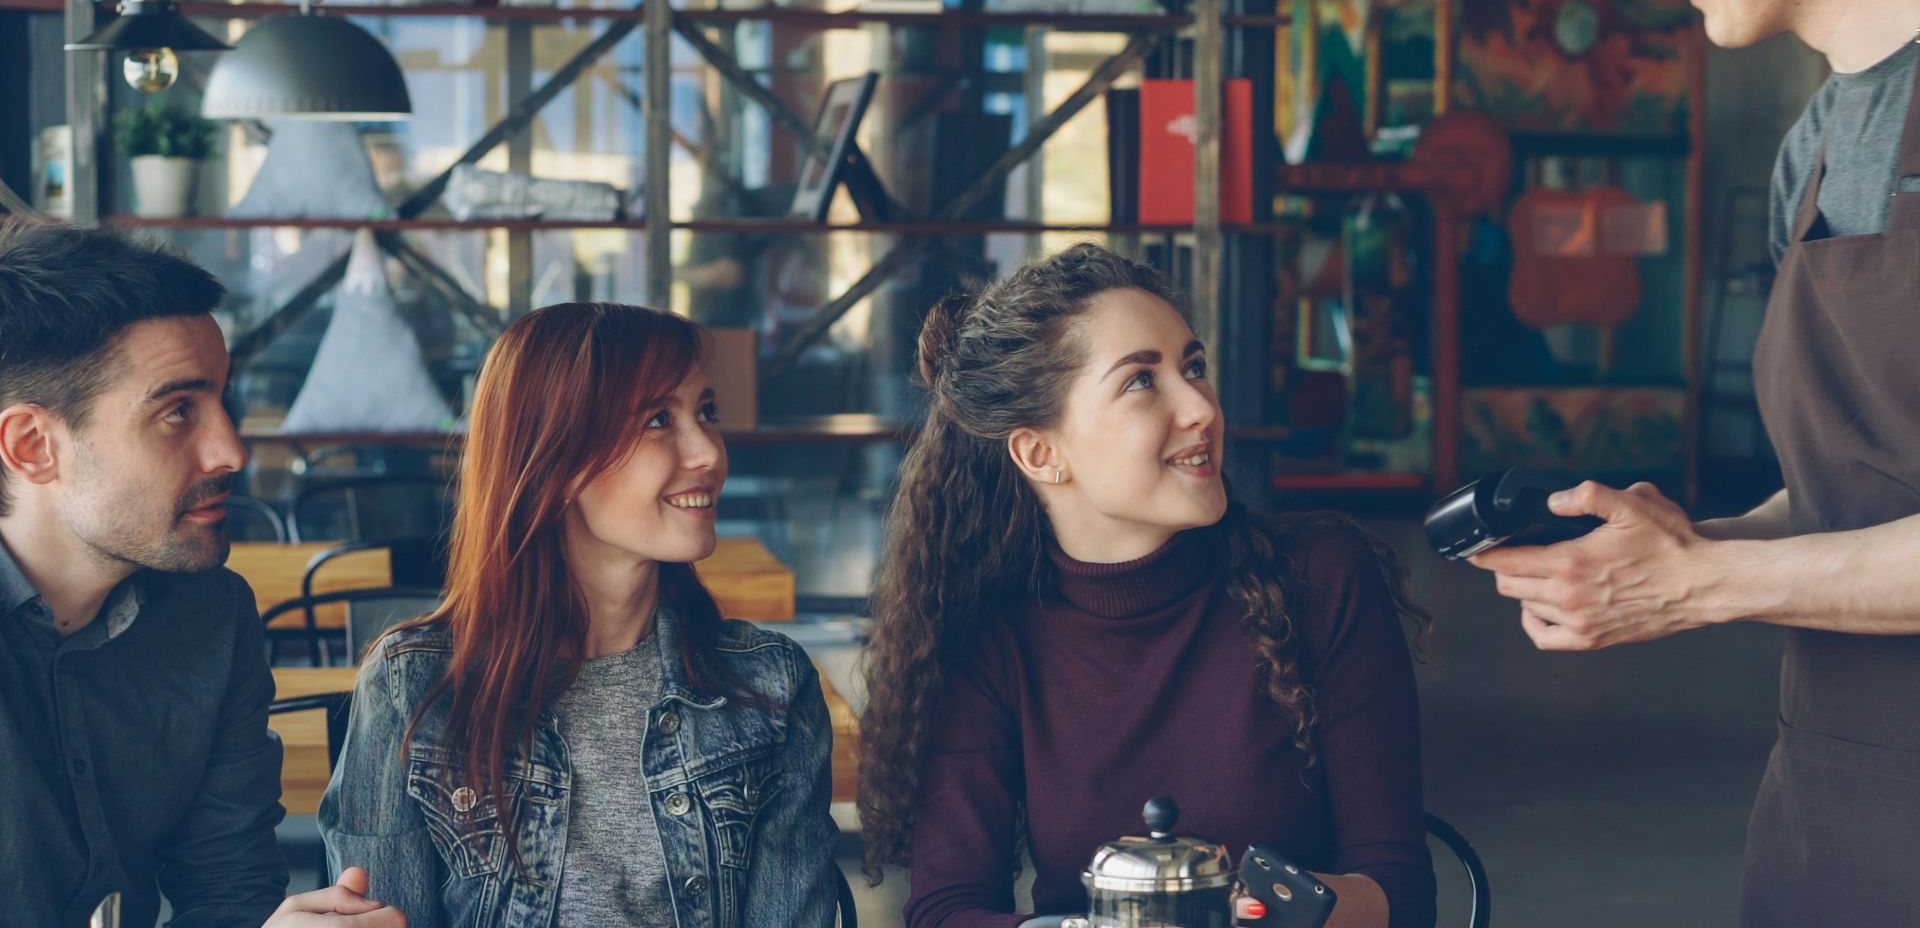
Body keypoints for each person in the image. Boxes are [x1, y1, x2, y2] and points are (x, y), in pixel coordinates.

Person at [1470, 0, 1920, 924]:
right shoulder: (1812, 149)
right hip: (1836, 805)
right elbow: (1856, 491)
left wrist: (1707, 583)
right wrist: (1681, 548)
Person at [857, 244, 1436, 928]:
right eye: (1141, 381)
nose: (1200, 407)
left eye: (1194, 367)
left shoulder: (1321, 575)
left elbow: (1399, 891)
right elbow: (946, 910)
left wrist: (1242, 916)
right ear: (1040, 453)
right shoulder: (989, 632)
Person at [318, 302, 840, 928]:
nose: (707, 452)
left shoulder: (771, 686)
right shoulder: (413, 687)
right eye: (657, 420)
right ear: (555, 460)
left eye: (706, 412)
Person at [0, 220, 401, 926]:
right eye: (177, 411)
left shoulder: (209, 613)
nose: (232, 451)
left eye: (222, 400)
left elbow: (229, 891)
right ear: (33, 446)